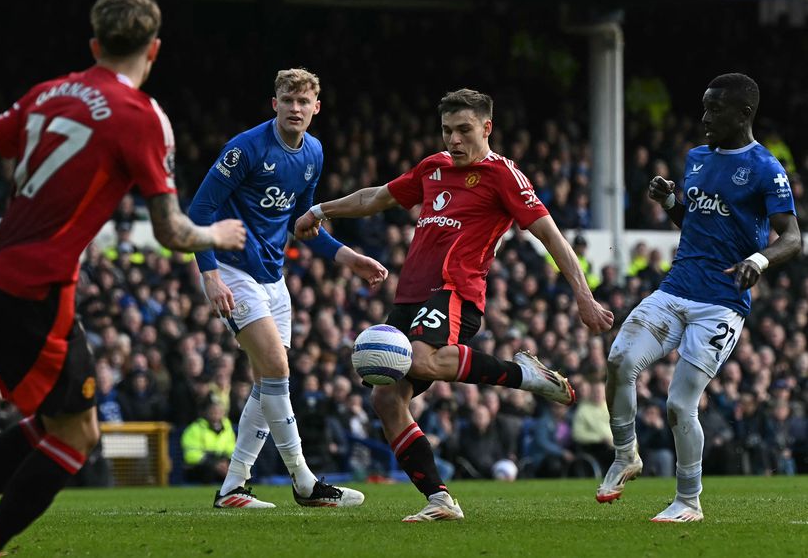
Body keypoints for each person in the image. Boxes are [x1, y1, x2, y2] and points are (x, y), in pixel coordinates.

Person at [0, 0, 246, 557]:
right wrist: (216, 234)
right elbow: (170, 232)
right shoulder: (142, 117)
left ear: (94, 44)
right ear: (154, 50)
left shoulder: (47, 93)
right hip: (37, 288)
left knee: (59, 419)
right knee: (80, 436)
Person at [295, 89, 613, 521]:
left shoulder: (504, 175)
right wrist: (321, 209)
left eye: (464, 130)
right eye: (447, 130)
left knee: (424, 360)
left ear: (487, 128)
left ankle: (526, 377)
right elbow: (377, 197)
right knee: (387, 402)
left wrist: (584, 295)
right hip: (409, 296)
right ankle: (440, 501)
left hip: (456, 290)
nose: (454, 140)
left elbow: (551, 235)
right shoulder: (433, 167)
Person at [596, 73, 800, 522]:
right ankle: (626, 453)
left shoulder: (766, 167)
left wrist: (759, 261)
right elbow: (695, 223)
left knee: (678, 403)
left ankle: (689, 500)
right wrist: (671, 203)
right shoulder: (696, 158)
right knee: (618, 361)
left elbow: (793, 238)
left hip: (722, 302)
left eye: (716, 109)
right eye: (704, 107)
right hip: (677, 287)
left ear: (744, 113)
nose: (705, 117)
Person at [188, 68, 387, 510]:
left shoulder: (313, 152)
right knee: (277, 368)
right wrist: (209, 274)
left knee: (267, 380)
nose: (295, 109)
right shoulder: (245, 150)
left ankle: (233, 486)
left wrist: (347, 257)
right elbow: (200, 209)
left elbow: (303, 224)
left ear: (316, 108)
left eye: (303, 102)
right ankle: (304, 480)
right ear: (274, 103)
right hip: (232, 269)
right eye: (287, 100)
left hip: (274, 279)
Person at [181, 398, 237, 484]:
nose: (216, 415)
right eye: (212, 412)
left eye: (219, 412)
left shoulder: (228, 428)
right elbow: (191, 455)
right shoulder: (194, 429)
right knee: (208, 470)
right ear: (206, 413)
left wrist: (226, 462)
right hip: (200, 466)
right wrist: (214, 463)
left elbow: (232, 449)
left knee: (241, 469)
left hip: (222, 463)